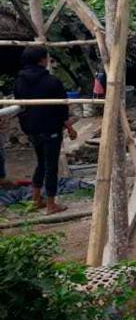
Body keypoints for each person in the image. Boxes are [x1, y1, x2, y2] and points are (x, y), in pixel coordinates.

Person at [13, 47, 77, 214]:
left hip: (31, 128)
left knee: (41, 162)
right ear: (41, 60)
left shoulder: (19, 81)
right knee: (51, 166)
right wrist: (69, 127)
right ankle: (51, 203)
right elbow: (62, 109)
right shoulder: (51, 82)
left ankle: (36, 199)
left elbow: (20, 105)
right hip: (50, 128)